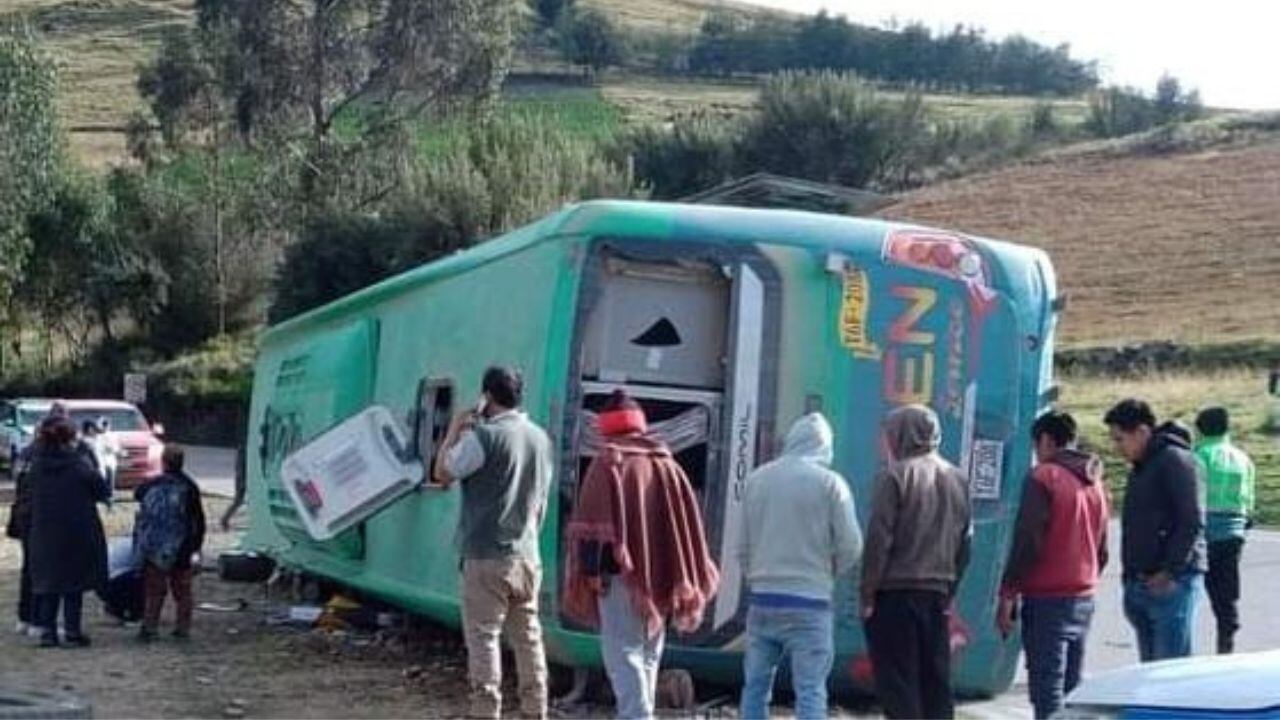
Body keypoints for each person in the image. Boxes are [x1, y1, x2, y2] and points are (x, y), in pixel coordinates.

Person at [564, 390, 720, 720]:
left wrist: (592, 575)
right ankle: (641, 712)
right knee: (650, 650)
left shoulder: (608, 462)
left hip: (620, 577)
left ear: (607, 427)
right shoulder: (667, 464)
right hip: (665, 575)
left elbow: (592, 529)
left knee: (622, 651)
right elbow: (686, 527)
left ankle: (636, 715)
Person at [432, 366, 554, 720]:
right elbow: (540, 503)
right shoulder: (540, 439)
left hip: (486, 555)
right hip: (527, 554)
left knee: (484, 639)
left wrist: (455, 429)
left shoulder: (483, 438)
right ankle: (536, 710)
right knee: (529, 638)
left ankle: (486, 712)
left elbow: (442, 473)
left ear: (486, 397)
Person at [737, 412, 862, 720]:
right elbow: (852, 544)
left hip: (763, 600)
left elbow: (742, 546)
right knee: (810, 690)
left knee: (755, 686)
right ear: (825, 447)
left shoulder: (757, 479)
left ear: (791, 440)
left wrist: (756, 577)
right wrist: (829, 572)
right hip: (810, 603)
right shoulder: (831, 484)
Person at [861, 404, 971, 720]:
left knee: (899, 684)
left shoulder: (894, 476)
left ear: (901, 434)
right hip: (937, 594)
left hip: (894, 594)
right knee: (935, 683)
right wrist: (950, 591)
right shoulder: (957, 478)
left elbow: (879, 540)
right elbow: (965, 544)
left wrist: (867, 595)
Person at [997, 411, 1109, 719]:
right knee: (1073, 691)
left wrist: (1008, 592)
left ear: (1045, 440)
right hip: (1083, 596)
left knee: (1047, 689)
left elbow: (1028, 540)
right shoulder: (1095, 482)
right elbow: (1102, 548)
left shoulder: (1044, 477)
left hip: (1048, 598)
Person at [1104, 398, 1206, 662]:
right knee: (1149, 672)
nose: (1117, 448)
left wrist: (1170, 570)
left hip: (1171, 582)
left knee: (1169, 672)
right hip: (1141, 580)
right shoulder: (1142, 467)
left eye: (1120, 439)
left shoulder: (1175, 460)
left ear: (1142, 432)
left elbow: (1191, 519)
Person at [26, 417, 109, 648]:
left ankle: (48, 632)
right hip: (76, 529)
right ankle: (72, 631)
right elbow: (101, 488)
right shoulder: (78, 464)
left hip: (44, 530)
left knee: (48, 582)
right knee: (74, 584)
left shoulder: (37, 465)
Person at [1194, 407, 1255, 654]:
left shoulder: (1199, 455)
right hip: (1235, 529)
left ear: (1199, 429)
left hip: (1206, 529)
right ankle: (1227, 629)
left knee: (1198, 582)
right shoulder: (1244, 459)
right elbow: (1249, 496)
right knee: (1226, 584)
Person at [134, 444, 207, 642]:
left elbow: (137, 495)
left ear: (163, 461)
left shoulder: (151, 484)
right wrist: (196, 546)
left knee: (154, 591)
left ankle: (150, 628)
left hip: (154, 546)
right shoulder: (189, 487)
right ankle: (182, 629)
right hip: (182, 546)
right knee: (182, 591)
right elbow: (198, 520)